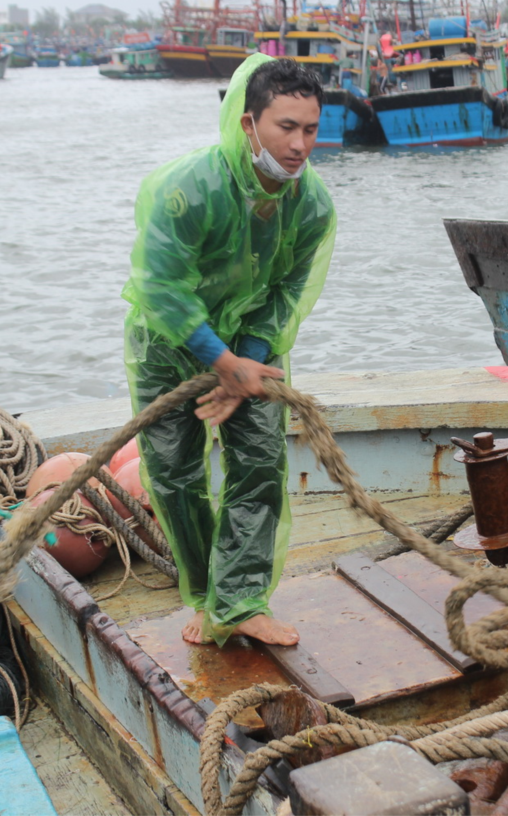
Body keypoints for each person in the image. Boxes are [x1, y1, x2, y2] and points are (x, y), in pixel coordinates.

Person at [122, 55, 336, 647]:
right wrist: (219, 362)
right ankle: (205, 595)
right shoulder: (185, 191)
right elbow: (162, 287)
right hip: (170, 348)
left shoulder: (311, 204)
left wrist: (249, 357)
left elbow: (288, 289)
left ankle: (240, 601)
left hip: (250, 346)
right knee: (174, 476)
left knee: (259, 465)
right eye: (284, 127)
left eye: (310, 130)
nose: (298, 145)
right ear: (248, 124)